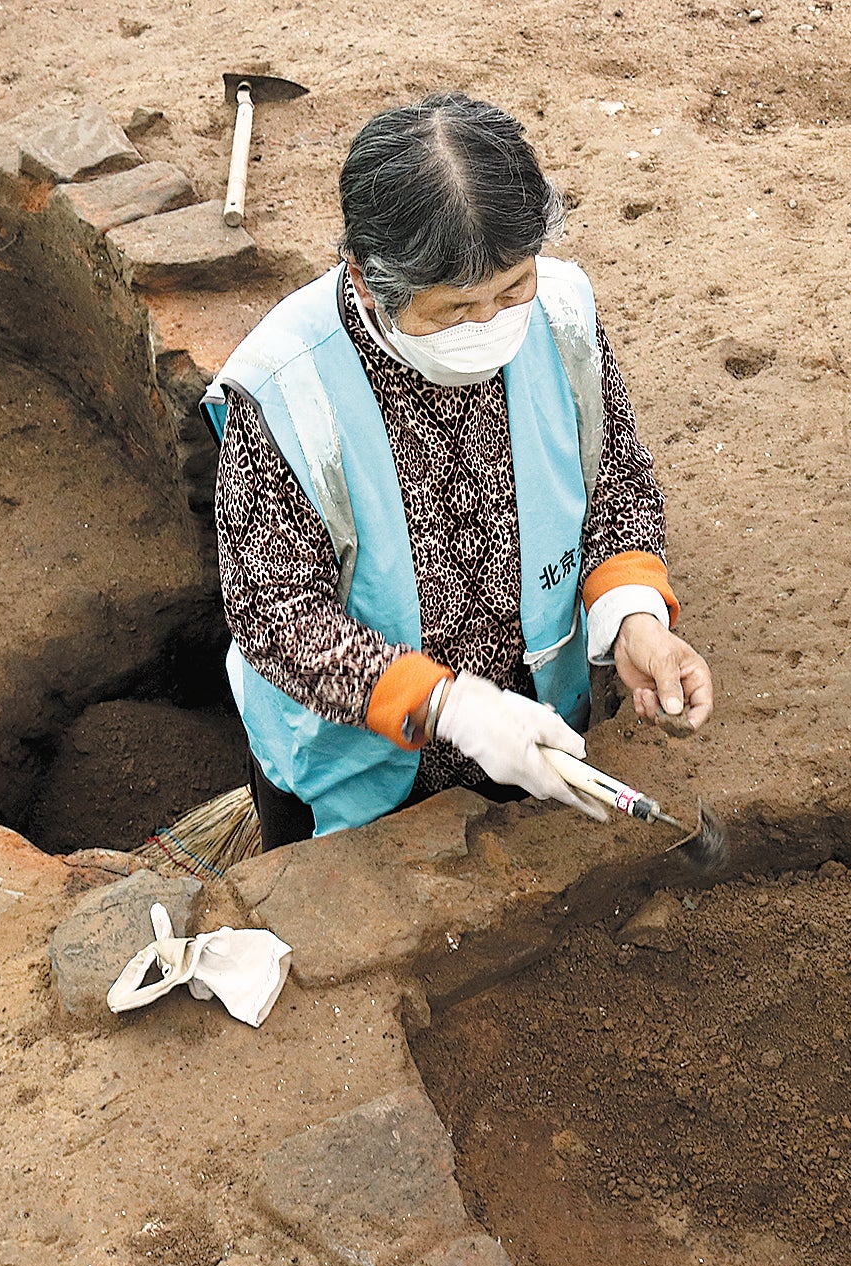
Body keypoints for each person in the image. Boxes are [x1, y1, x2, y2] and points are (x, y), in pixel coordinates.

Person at [204, 91, 713, 849]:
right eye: (452, 310)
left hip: (534, 724)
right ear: (370, 282)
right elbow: (277, 614)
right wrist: (449, 706)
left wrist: (634, 619)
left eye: (512, 289)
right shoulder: (285, 389)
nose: (493, 325)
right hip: (350, 771)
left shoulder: (566, 314)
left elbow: (616, 484)